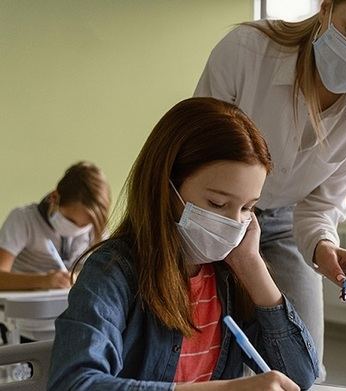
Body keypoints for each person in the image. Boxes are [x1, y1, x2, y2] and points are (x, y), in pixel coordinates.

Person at [194, 0, 346, 372]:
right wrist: (230, 232)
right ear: (327, 8)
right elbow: (196, 155)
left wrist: (324, 249)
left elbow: (319, 206)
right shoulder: (247, 51)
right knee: (208, 351)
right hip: (213, 209)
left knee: (303, 365)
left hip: (285, 223)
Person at [48, 98, 318, 390]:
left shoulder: (229, 277)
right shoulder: (113, 271)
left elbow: (300, 377)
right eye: (217, 203)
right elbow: (73, 384)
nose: (233, 223)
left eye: (247, 208)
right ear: (165, 188)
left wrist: (251, 265)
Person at [0, 161, 111, 291]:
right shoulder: (23, 219)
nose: (78, 229)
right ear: (54, 197)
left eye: (85, 225)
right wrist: (43, 281)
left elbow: (105, 275)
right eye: (71, 221)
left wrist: (78, 278)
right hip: (26, 307)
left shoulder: (97, 228)